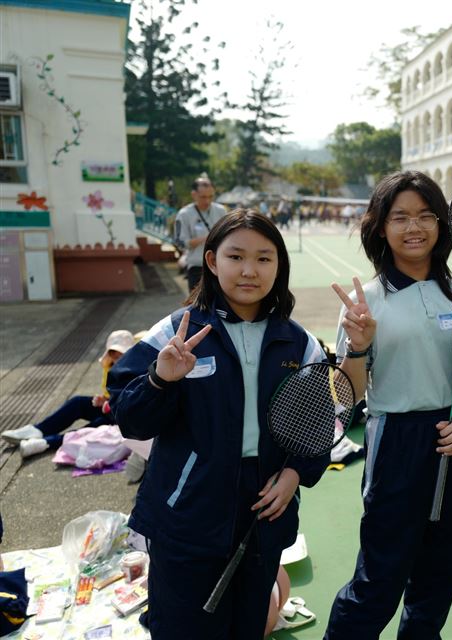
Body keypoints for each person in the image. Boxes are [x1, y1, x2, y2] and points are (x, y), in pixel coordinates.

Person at [109, 209, 329, 639]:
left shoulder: (299, 343)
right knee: (182, 628)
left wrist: (295, 473)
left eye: (264, 258)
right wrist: (160, 379)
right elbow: (129, 418)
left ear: (279, 265)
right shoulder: (175, 332)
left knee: (249, 626)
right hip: (187, 511)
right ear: (212, 261)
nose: (249, 270)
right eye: (236, 256)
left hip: (264, 511)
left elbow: (318, 424)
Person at [324, 171, 452, 639]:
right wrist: (358, 348)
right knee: (379, 579)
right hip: (396, 441)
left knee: (441, 574)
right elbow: (346, 398)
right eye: (400, 217)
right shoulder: (365, 302)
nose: (414, 227)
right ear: (380, 226)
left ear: (441, 224)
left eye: (425, 215)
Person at [2, 330, 135, 457]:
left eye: (122, 355)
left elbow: (131, 404)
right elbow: (111, 396)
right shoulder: (111, 367)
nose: (118, 359)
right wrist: (104, 400)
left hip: (123, 419)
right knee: (77, 402)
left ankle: (46, 442)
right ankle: (38, 430)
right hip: (110, 410)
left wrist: (108, 403)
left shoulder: (134, 371)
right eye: (114, 356)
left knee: (94, 427)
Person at [174, 175, 228, 292]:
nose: (207, 201)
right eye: (203, 197)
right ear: (194, 194)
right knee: (198, 302)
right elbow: (179, 242)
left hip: (219, 266)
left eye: (211, 196)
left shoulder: (221, 211)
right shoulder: (183, 214)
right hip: (196, 266)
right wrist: (206, 238)